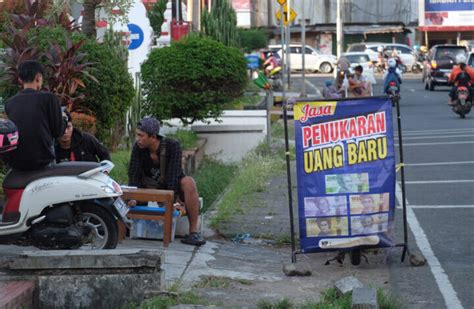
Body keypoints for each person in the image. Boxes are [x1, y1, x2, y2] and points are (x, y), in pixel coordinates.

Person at [127, 117, 206, 246]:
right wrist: (133, 197)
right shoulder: (138, 148)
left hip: (171, 187)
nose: (138, 139)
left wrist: (173, 200)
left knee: (189, 182)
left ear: (153, 137)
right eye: (137, 135)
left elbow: (174, 176)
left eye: (141, 136)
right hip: (149, 188)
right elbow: (133, 174)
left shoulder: (172, 146)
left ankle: (193, 232)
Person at [4, 60, 66, 171]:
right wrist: (64, 120)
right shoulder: (48, 98)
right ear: (38, 77)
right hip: (42, 162)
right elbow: (58, 132)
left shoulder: (9, 103)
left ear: (20, 80)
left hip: (17, 164)